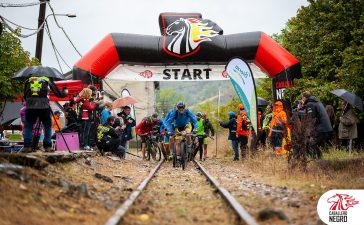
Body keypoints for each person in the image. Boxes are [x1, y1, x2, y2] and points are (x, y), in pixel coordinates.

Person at [21, 76, 67, 153]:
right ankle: (47, 146)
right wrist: (65, 89)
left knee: (28, 126)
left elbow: (25, 96)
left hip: (30, 106)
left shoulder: (28, 80)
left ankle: (27, 146)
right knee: (47, 126)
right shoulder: (47, 79)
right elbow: (60, 94)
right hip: (44, 106)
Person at [301, 91, 333, 158]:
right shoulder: (317, 102)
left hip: (321, 128)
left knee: (311, 145)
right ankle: (320, 159)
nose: (302, 99)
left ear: (304, 97)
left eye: (302, 98)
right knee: (314, 145)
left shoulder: (310, 104)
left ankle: (316, 162)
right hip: (326, 128)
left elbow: (311, 119)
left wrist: (308, 133)